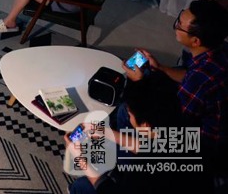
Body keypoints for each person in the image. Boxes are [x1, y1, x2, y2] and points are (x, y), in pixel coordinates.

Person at [121, 0, 228, 178]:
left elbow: (171, 124)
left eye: (179, 25)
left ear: (195, 41)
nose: (175, 26)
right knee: (153, 78)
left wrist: (139, 84)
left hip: (203, 147)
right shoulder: (217, 50)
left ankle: (130, 168)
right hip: (204, 122)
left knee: (127, 112)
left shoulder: (198, 81)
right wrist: (160, 67)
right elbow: (187, 75)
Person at [66, 75, 206, 194]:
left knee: (81, 185)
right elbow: (147, 148)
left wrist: (81, 159)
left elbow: (108, 190)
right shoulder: (186, 133)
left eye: (130, 114)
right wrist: (105, 132)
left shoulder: (142, 174)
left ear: (145, 125)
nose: (129, 115)